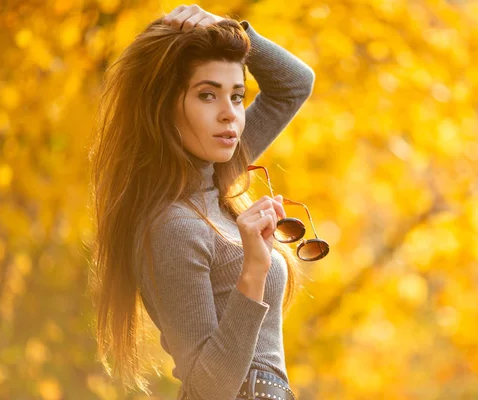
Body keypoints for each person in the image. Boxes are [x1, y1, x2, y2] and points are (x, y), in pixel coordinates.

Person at [88, 4, 315, 400]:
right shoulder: (173, 225)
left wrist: (229, 28)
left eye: (237, 95)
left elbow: (294, 84)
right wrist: (253, 273)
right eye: (207, 95)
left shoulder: (219, 174)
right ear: (165, 108)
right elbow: (207, 389)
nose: (230, 114)